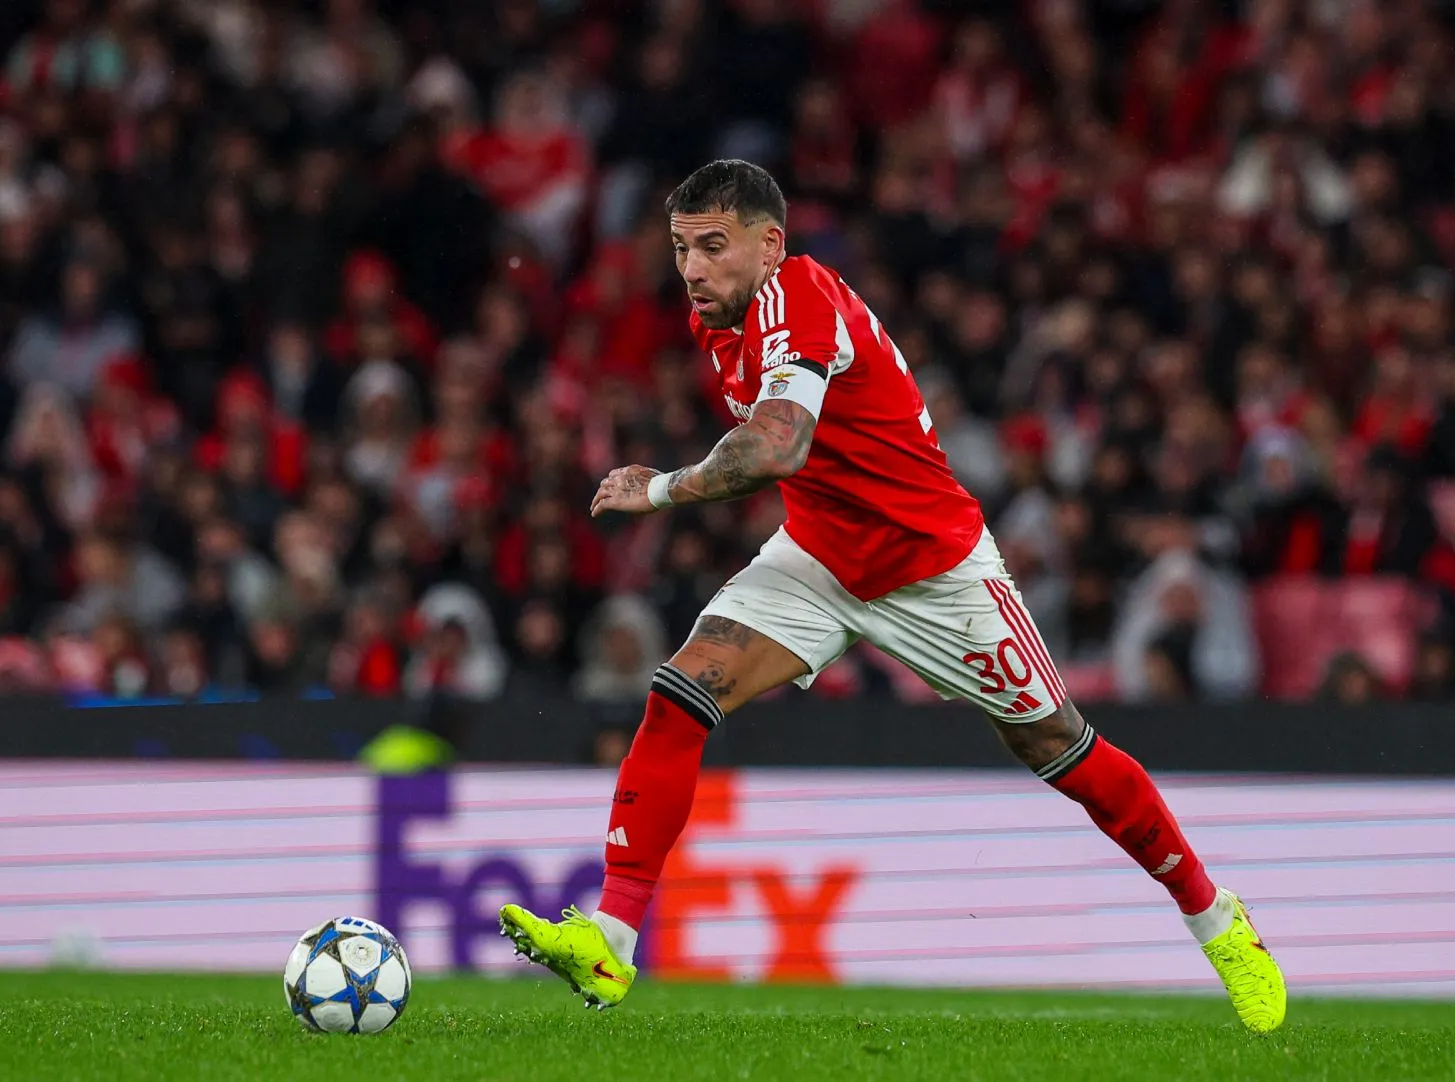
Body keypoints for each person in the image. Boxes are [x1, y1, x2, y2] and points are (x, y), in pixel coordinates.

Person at [497, 161, 1284, 1032]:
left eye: (713, 247)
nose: (692, 268)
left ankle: (1220, 923)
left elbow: (775, 449)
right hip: (820, 556)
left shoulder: (797, 300)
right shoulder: (719, 314)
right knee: (682, 692)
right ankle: (609, 938)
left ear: (771, 246)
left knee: (1060, 748)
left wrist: (659, 490)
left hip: (933, 568)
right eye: (681, 248)